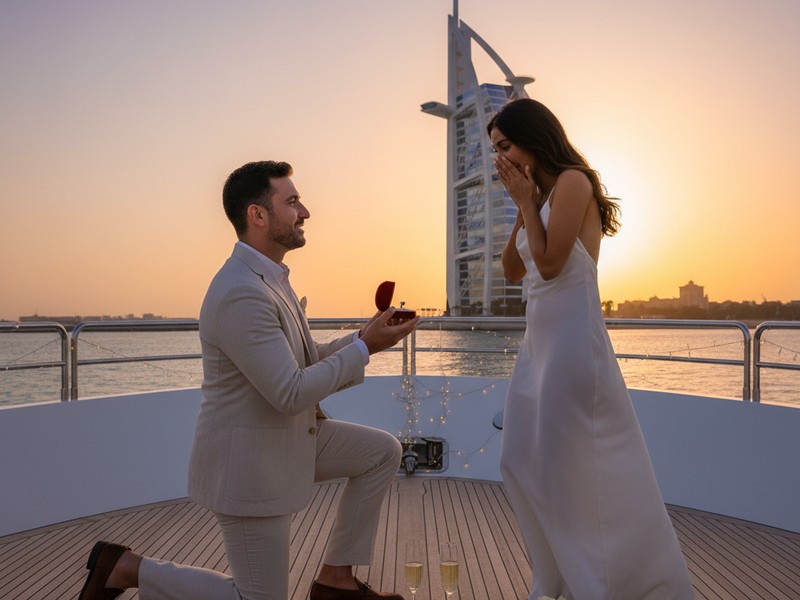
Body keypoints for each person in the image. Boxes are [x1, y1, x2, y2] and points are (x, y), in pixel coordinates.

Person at [78, 160, 419, 600]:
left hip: (285, 441)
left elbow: (299, 362)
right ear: (258, 215)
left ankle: (336, 578)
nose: (305, 212)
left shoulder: (270, 280)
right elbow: (290, 391)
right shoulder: (241, 291)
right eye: (292, 201)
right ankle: (127, 569)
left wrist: (362, 338)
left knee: (381, 453)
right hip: (248, 467)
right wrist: (363, 349)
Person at [489, 99, 694, 600]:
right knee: (519, 457)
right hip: (540, 346)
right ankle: (556, 571)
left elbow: (553, 264)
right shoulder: (537, 195)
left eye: (506, 146)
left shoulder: (574, 182)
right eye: (495, 150)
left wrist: (524, 204)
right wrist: (524, 204)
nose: (501, 158)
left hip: (573, 344)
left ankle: (597, 580)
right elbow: (513, 270)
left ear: (534, 137)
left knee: (570, 466)